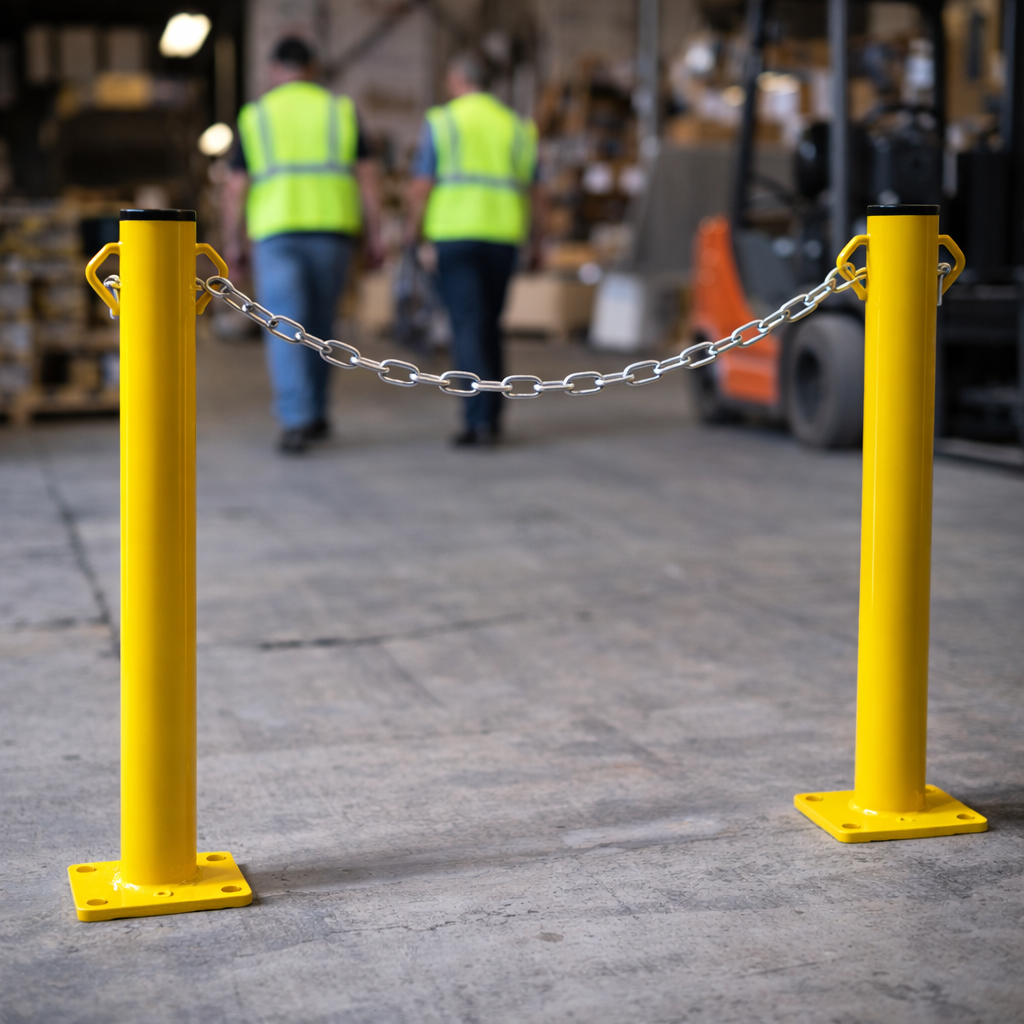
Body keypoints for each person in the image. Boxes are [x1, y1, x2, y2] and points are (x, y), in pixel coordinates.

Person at [222, 37, 383, 454]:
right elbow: (368, 178)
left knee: (286, 327)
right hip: (333, 231)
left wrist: (232, 241)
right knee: (322, 325)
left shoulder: (256, 115)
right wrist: (377, 233)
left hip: (276, 232)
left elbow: (236, 187)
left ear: (275, 69)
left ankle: (296, 420)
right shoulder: (340, 111)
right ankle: (316, 412)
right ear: (312, 68)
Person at [405, 51, 541, 447]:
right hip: (502, 235)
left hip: (454, 235)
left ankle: (476, 419)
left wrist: (413, 232)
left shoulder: (441, 122)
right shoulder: (516, 126)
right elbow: (537, 191)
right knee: (489, 323)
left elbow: (421, 185)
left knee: (467, 324)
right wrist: (540, 238)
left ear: (456, 79)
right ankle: (493, 415)